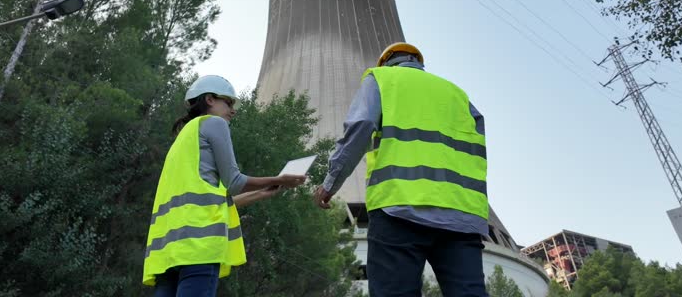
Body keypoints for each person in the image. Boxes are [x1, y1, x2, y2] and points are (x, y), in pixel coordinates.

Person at [313, 43, 489, 297]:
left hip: (400, 208)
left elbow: (360, 127)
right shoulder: (458, 95)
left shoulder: (382, 79)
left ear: (385, 62)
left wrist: (330, 183)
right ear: (419, 63)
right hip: (461, 216)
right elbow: (477, 151)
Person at [143, 75, 307, 296]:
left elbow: (215, 201)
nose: (233, 110)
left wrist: (263, 192)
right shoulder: (214, 123)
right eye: (228, 103)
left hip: (168, 254)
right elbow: (235, 182)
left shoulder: (182, 139)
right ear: (210, 99)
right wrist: (280, 179)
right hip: (200, 249)